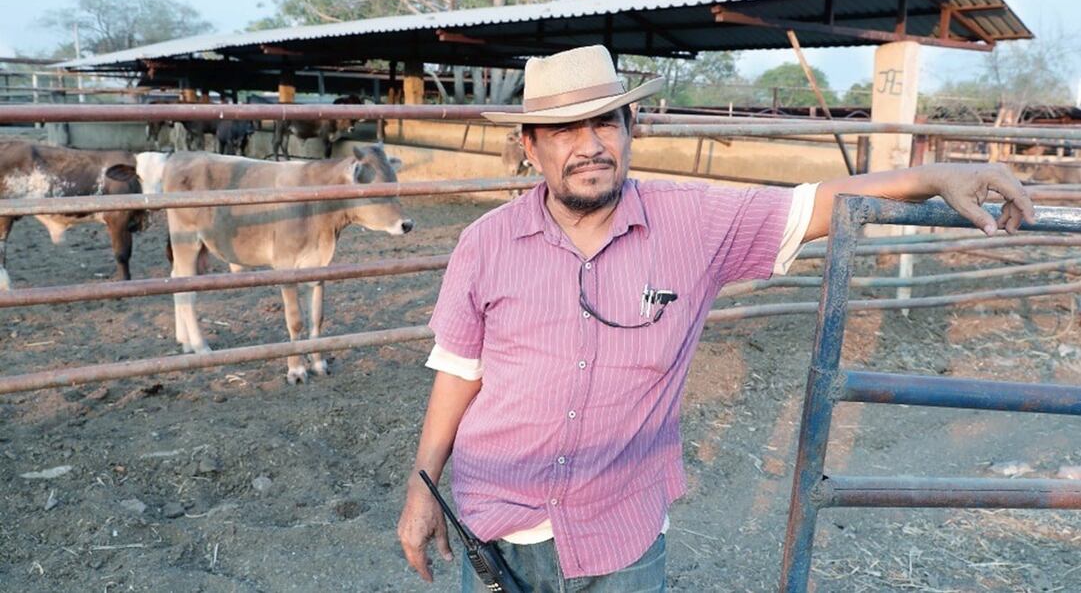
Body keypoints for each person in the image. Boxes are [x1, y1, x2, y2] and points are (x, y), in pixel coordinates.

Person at [397, 45, 1034, 592]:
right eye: (565, 130)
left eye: (605, 124)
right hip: (499, 523)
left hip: (622, 526)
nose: (589, 147)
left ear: (631, 126)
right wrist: (423, 487)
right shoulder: (484, 243)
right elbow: (458, 371)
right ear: (529, 146)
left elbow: (815, 205)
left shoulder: (694, 223)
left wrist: (938, 174)